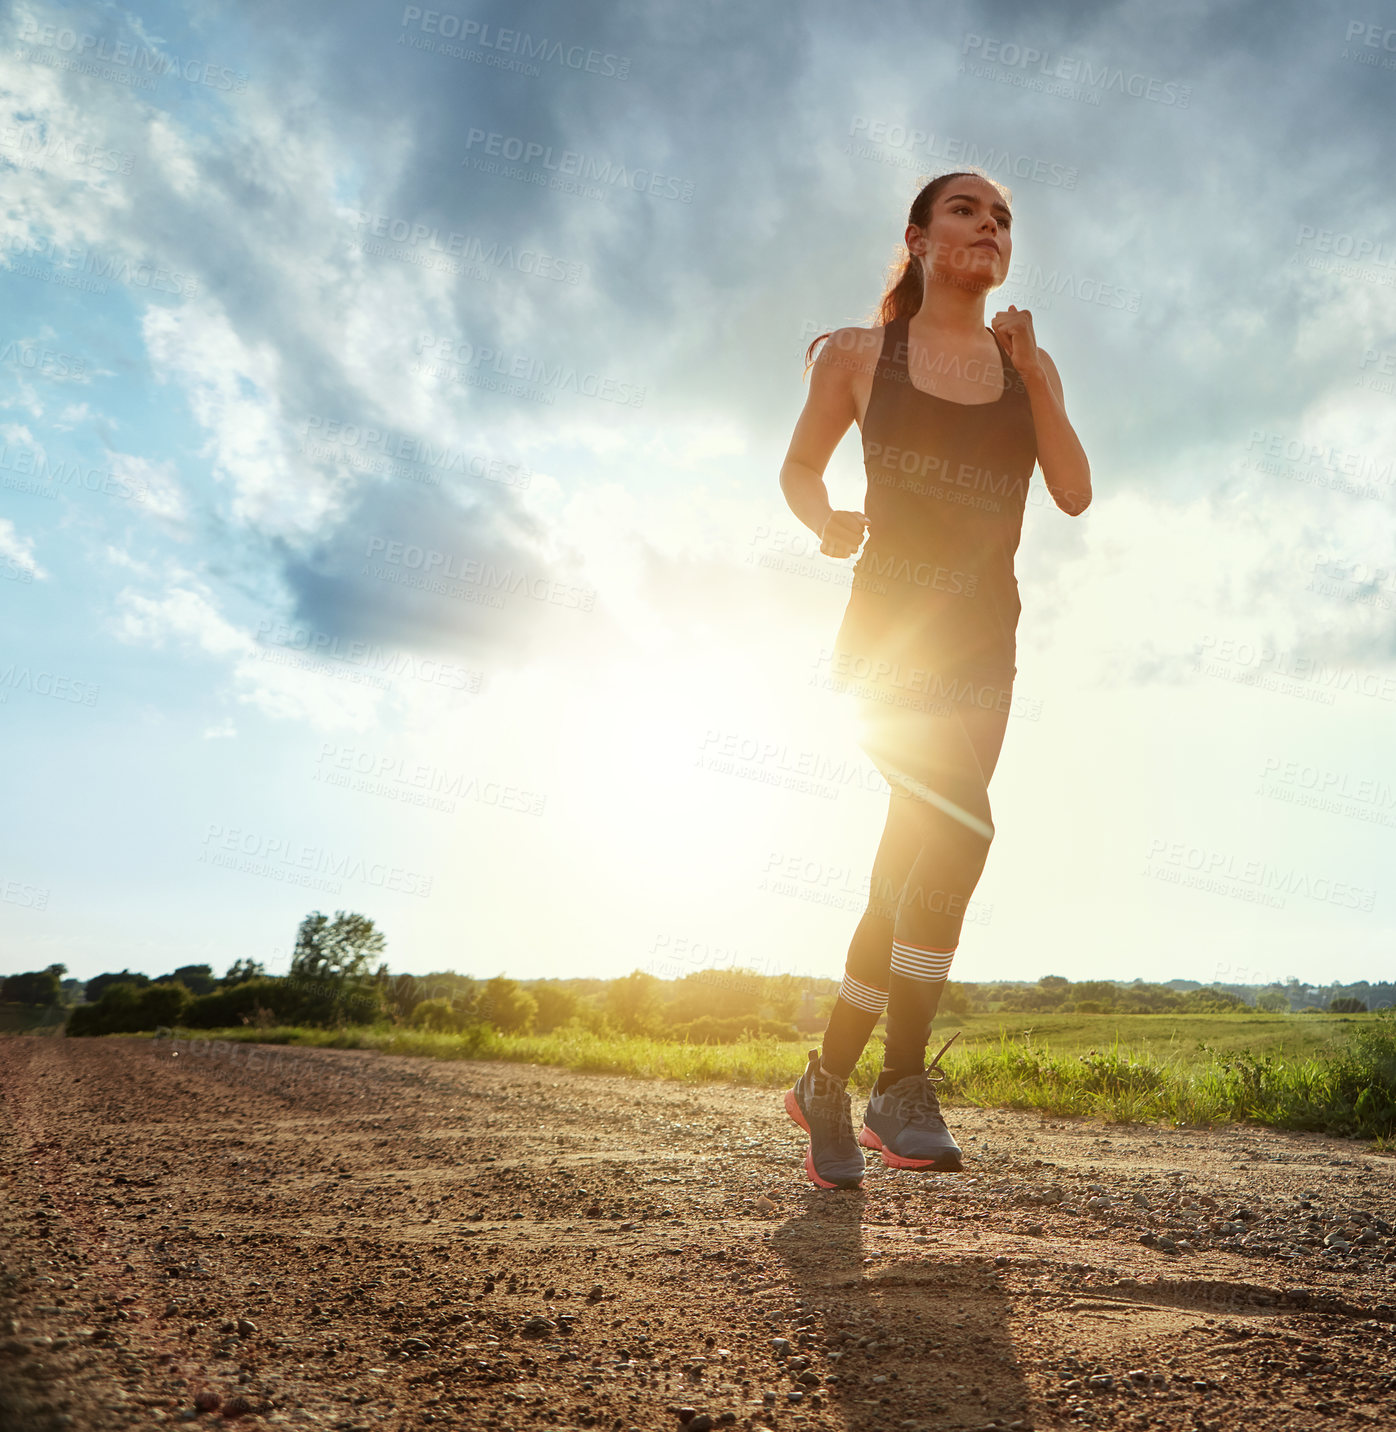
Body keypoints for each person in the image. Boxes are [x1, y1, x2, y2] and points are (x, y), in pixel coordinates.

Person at [777, 168, 1092, 1189]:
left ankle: (824, 1079)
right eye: (965, 209)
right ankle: (900, 1080)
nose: (988, 225)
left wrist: (1038, 377)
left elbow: (1075, 493)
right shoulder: (860, 355)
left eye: (1004, 216)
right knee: (963, 828)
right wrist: (823, 520)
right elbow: (799, 467)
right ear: (915, 237)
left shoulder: (1020, 368)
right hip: (886, 642)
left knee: (905, 874)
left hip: (984, 648)